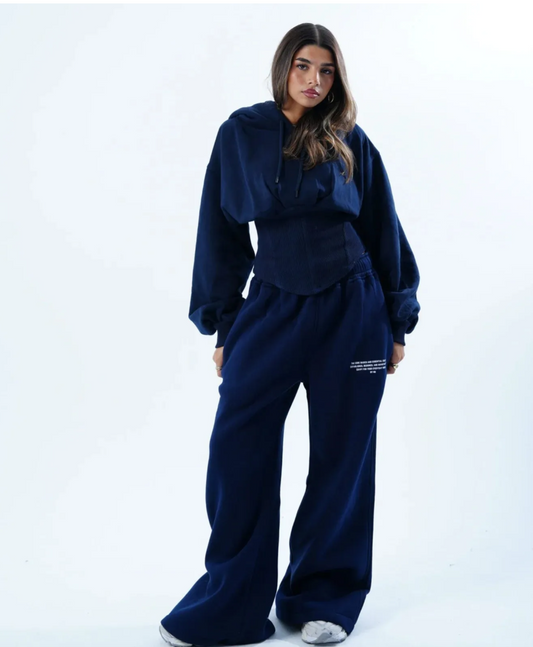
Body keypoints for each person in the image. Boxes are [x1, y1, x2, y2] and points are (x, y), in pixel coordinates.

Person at [159, 22, 421, 647]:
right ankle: (231, 603)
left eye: (326, 71)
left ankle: (322, 598)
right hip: (271, 310)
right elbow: (219, 231)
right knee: (238, 449)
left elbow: (382, 226)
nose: (314, 80)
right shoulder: (241, 132)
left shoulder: (350, 139)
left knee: (343, 454)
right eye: (304, 66)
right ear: (284, 66)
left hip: (354, 314)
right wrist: (225, 324)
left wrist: (397, 319)